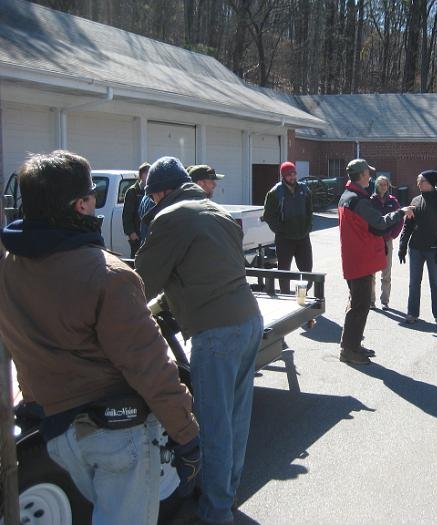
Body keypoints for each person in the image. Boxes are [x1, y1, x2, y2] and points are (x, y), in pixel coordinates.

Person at [0, 151, 200, 525]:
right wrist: (186, 435)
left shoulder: (8, 267)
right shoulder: (109, 276)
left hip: (57, 431)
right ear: (81, 205)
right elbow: (151, 366)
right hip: (116, 435)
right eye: (92, 197)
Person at [135, 157, 263, 525]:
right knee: (236, 419)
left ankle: (215, 512)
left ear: (160, 192)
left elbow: (140, 282)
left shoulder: (170, 217)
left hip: (215, 332)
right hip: (248, 320)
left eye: (153, 196)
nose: (152, 202)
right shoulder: (216, 211)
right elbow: (207, 268)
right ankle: (227, 495)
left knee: (213, 425)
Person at [338, 159, 414, 365]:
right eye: (368, 173)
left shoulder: (348, 196)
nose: (370, 176)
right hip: (360, 260)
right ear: (361, 175)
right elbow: (379, 224)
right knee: (360, 306)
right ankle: (349, 350)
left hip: (355, 258)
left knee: (356, 303)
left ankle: (351, 344)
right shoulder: (358, 200)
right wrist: (400, 212)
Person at [398, 170, 437, 325]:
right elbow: (407, 226)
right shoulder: (415, 200)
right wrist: (402, 245)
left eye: (422, 181)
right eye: (418, 181)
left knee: (435, 282)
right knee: (414, 282)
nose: (419, 184)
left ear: (431, 183)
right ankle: (412, 313)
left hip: (434, 249)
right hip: (415, 248)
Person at [262, 161, 313, 294]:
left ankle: (302, 294)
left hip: (303, 237)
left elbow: (310, 210)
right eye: (289, 174)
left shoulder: (304, 189)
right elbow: (268, 215)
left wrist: (308, 227)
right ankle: (285, 295)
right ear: (283, 176)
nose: (292, 177)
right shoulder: (275, 192)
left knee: (307, 270)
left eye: (294, 173)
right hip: (284, 239)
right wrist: (280, 229)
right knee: (284, 270)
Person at [370, 175, 403, 310]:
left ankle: (385, 301)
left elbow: (400, 218)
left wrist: (393, 235)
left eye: (385, 184)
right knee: (371, 272)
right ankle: (371, 300)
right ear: (376, 185)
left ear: (388, 186)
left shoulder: (393, 201)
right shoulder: (371, 201)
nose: (383, 187)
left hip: (387, 241)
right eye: (381, 184)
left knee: (386, 272)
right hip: (373, 241)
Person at [122, 161, 150, 257]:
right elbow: (127, 215)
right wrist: (131, 233)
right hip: (137, 236)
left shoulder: (151, 191)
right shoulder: (133, 191)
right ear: (141, 175)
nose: (150, 177)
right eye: (147, 174)